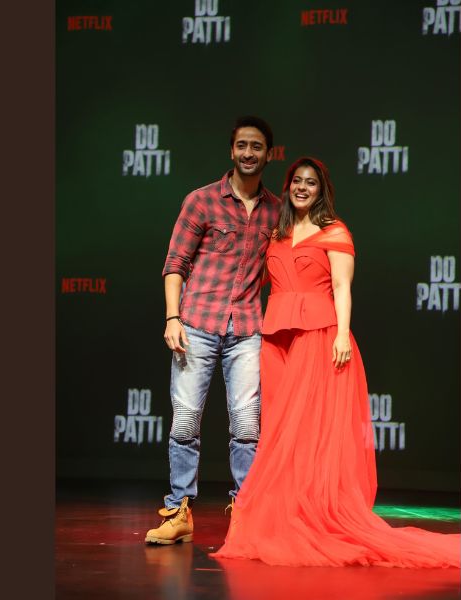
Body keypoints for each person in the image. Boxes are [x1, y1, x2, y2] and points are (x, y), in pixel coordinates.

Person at [210, 157, 461, 567]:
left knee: (309, 431)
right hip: (275, 341)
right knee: (279, 432)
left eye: (310, 182)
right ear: (288, 186)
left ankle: (312, 515)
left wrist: (342, 334)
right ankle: (283, 514)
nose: (302, 188)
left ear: (321, 190)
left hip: (319, 336)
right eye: (296, 181)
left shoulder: (335, 231)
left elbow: (342, 287)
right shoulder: (277, 233)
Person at [145, 116, 281, 545]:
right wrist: (172, 318)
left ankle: (246, 514)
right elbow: (175, 264)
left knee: (247, 426)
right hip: (196, 325)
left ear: (268, 154)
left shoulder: (277, 210)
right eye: (242, 145)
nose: (248, 153)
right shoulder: (201, 201)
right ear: (231, 151)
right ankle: (179, 511)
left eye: (256, 146)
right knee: (185, 421)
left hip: (248, 328)